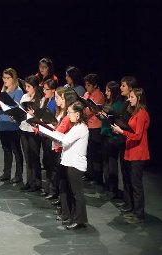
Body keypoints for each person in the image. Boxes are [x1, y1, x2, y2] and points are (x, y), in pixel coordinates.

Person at [112, 88, 150, 224]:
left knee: (136, 184)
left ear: (139, 98)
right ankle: (133, 209)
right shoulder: (134, 112)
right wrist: (120, 131)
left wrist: (122, 131)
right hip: (130, 150)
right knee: (129, 181)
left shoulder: (141, 114)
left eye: (132, 97)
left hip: (138, 153)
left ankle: (139, 214)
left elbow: (138, 135)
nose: (129, 99)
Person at [55, 101, 89, 229]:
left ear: (78, 114)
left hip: (76, 164)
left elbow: (65, 141)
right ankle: (74, 216)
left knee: (77, 193)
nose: (68, 115)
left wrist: (53, 135)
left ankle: (80, 220)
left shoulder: (80, 128)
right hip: (70, 163)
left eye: (70, 113)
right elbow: (65, 137)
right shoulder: (76, 126)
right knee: (72, 191)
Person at [0, 68, 24, 183]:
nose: (5, 80)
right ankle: (6, 173)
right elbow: (1, 109)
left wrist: (2, 106)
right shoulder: (3, 90)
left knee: (16, 150)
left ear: (13, 78)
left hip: (12, 125)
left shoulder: (18, 91)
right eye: (4, 78)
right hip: (3, 123)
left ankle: (19, 175)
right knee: (6, 150)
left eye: (8, 78)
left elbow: (16, 108)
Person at [19, 75, 43, 192]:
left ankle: (37, 182)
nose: (26, 89)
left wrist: (34, 114)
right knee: (27, 156)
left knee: (34, 156)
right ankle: (29, 181)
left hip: (34, 130)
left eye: (28, 86)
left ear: (34, 87)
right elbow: (21, 111)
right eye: (25, 86)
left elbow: (42, 115)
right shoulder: (24, 97)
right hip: (24, 128)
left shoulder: (39, 98)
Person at [99, 81, 123, 200]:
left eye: (108, 91)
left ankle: (113, 190)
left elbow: (117, 118)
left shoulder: (118, 104)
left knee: (112, 164)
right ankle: (107, 187)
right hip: (104, 135)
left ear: (113, 91)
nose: (106, 92)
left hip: (112, 138)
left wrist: (107, 116)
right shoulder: (109, 102)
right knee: (105, 164)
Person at [83, 74, 105, 186]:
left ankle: (98, 178)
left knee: (96, 154)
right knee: (89, 153)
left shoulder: (99, 96)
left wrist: (85, 102)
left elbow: (87, 112)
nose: (86, 87)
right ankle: (90, 174)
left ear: (95, 85)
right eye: (86, 85)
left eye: (89, 85)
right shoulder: (88, 94)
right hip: (88, 127)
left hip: (96, 128)